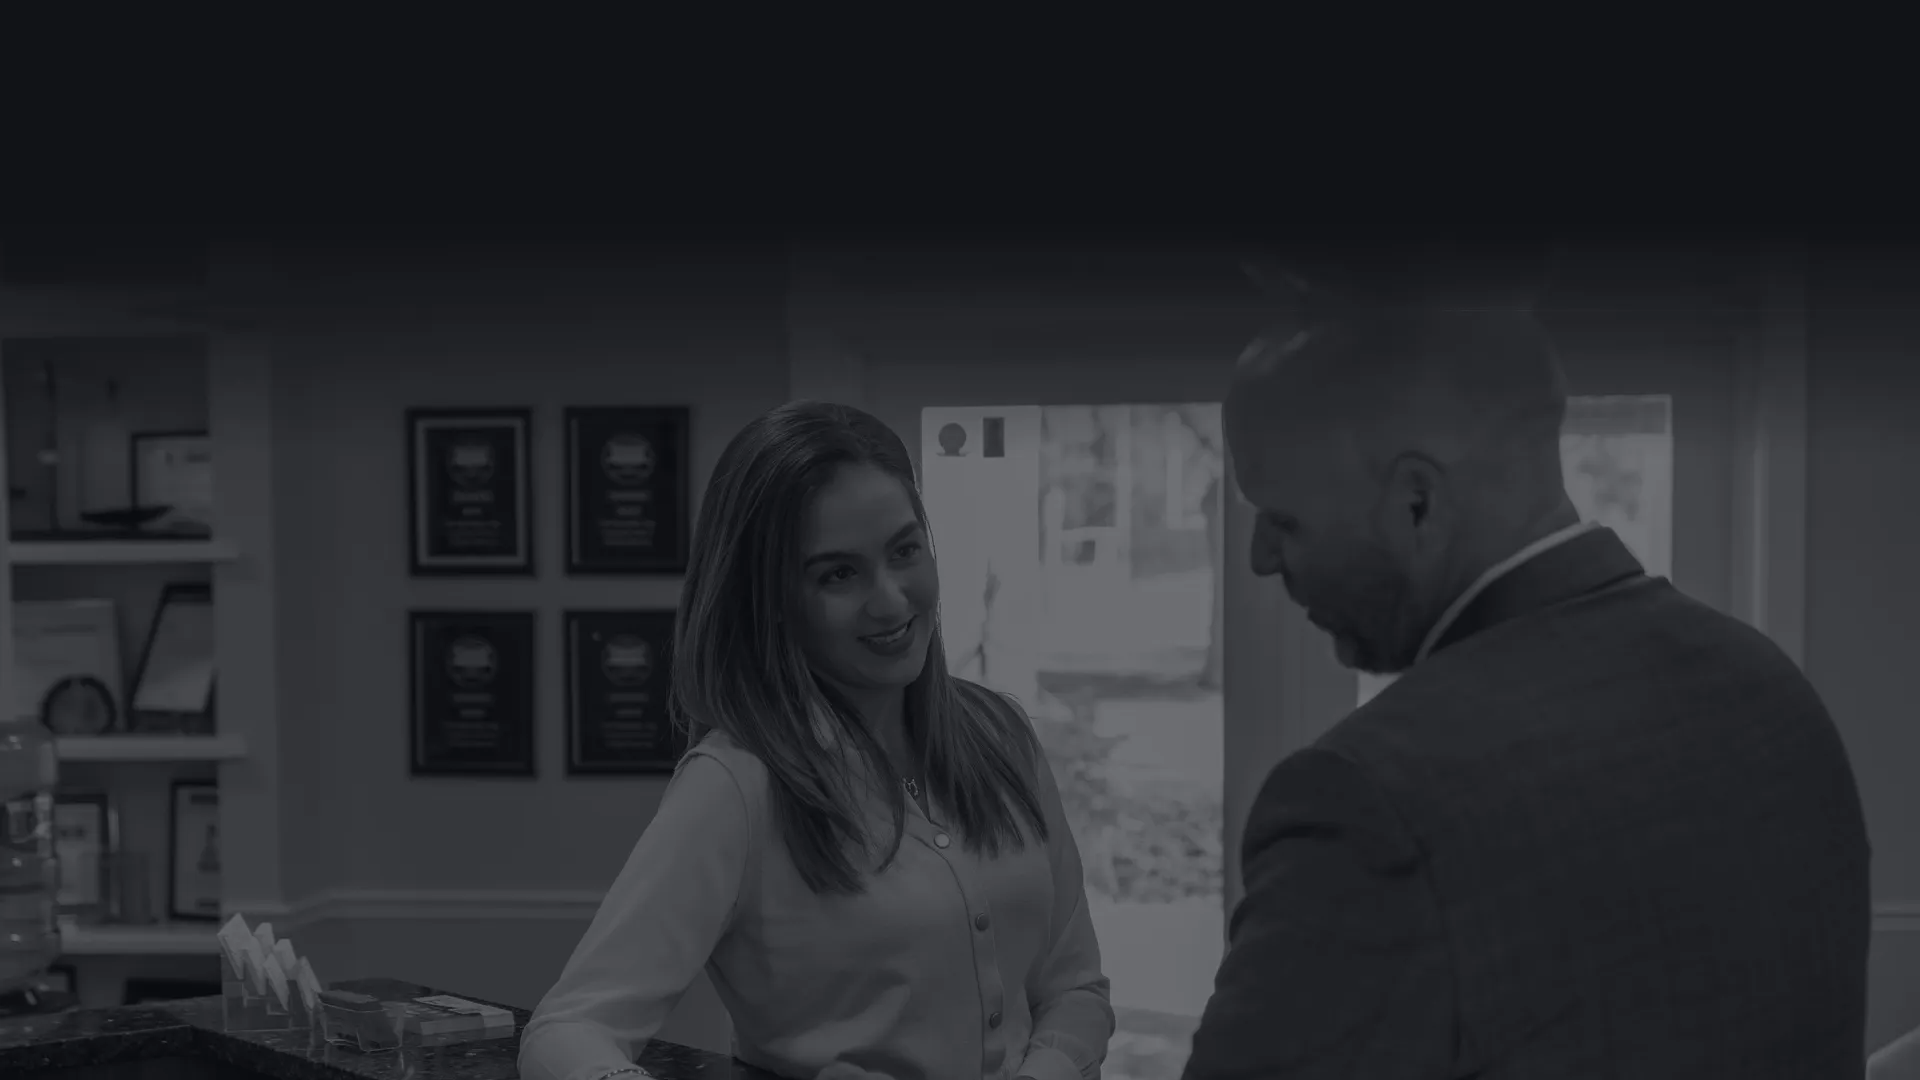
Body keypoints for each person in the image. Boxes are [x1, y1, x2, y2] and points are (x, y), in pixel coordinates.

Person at [1183, 299, 1872, 1078]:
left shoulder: (1371, 801)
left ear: (1418, 501)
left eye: (1283, 518)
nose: (1260, 560)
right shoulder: (1772, 689)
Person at [518, 401, 1113, 1080]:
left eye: (904, 551)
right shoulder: (737, 785)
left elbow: (1076, 990)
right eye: (838, 574)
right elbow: (570, 1029)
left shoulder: (1002, 737)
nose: (890, 600)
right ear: (771, 600)